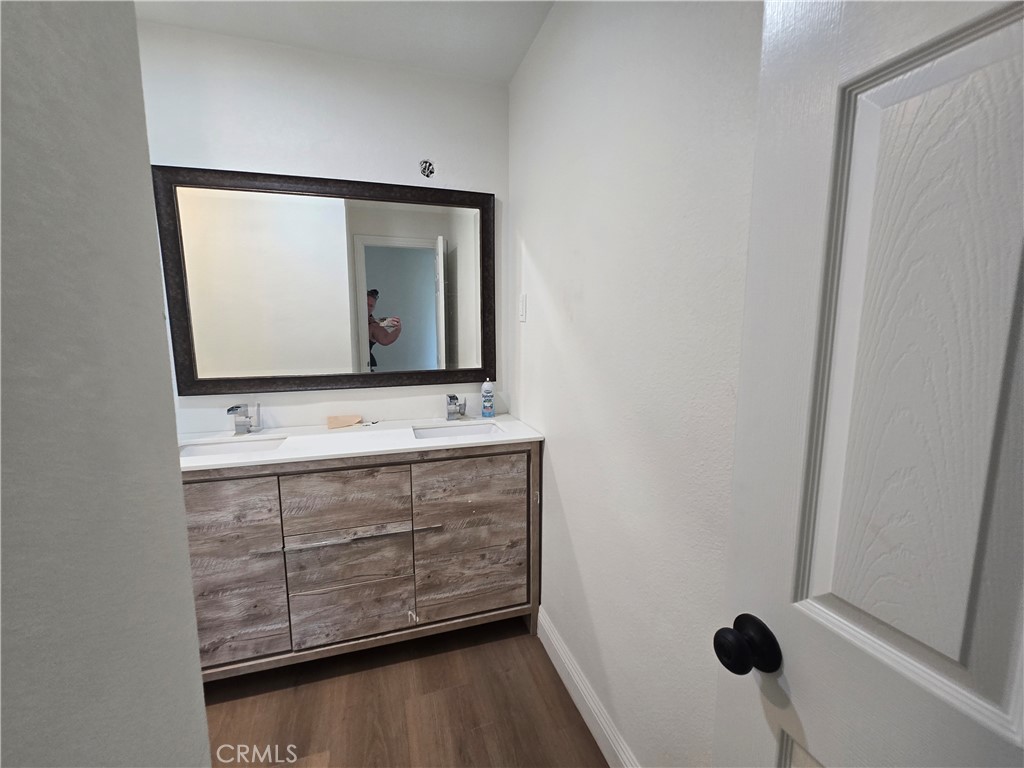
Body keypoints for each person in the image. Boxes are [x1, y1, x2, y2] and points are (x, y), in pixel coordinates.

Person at [366, 288, 402, 371]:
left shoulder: (373, 324)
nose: (368, 308)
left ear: (374, 308)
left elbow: (385, 339)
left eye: (371, 306)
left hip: (368, 366)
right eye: (366, 304)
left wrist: (397, 329)